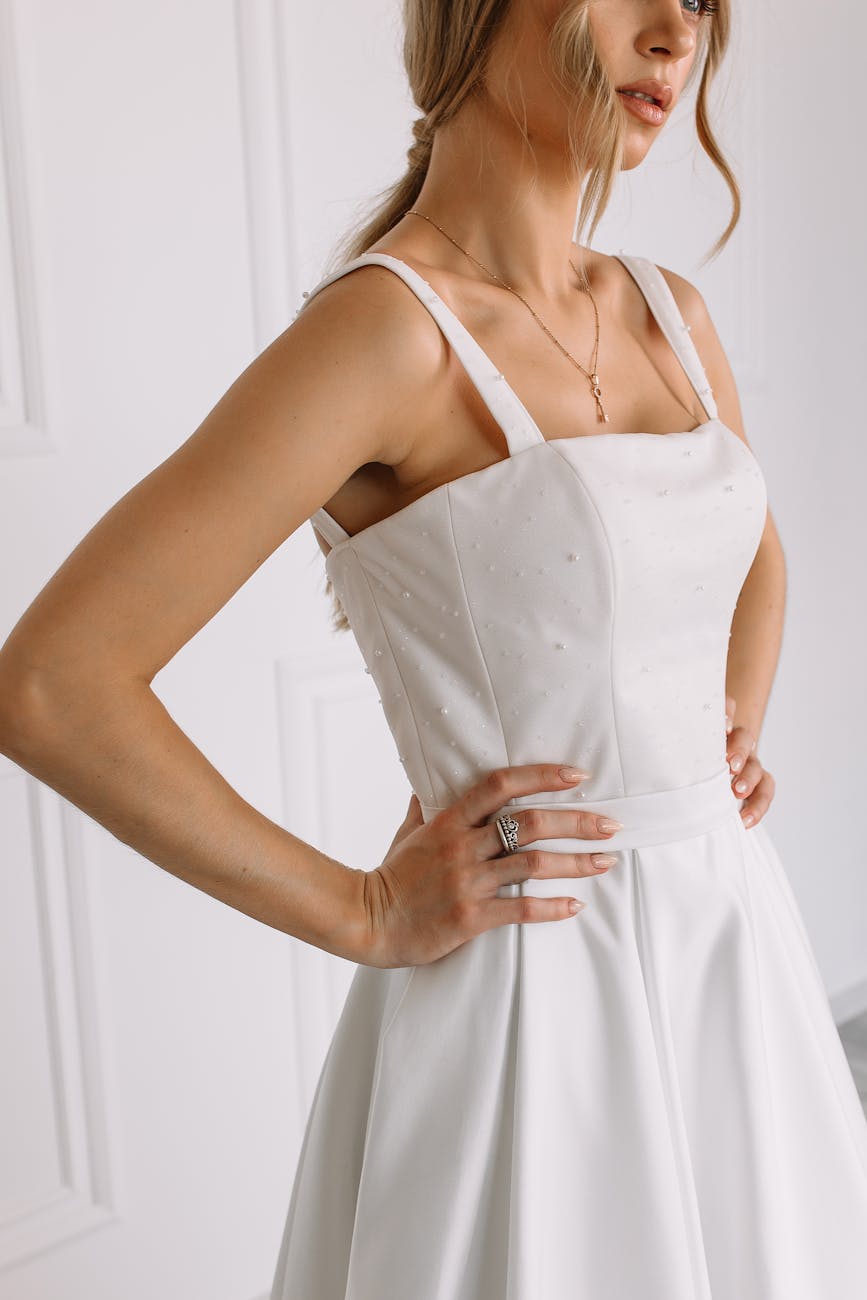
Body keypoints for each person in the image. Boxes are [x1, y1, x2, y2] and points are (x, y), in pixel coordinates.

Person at [1, 0, 866, 1296]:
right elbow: (54, 685)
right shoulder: (383, 334)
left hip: (732, 950)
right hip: (532, 1000)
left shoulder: (666, 310)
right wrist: (361, 906)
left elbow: (755, 552)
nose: (677, 34)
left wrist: (722, 737)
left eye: (697, 1)